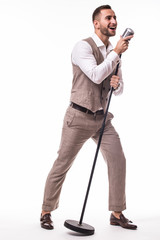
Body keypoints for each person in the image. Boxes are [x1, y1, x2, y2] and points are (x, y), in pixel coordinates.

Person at [40, 4, 137, 230]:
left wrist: (117, 84)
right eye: (108, 18)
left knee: (117, 159)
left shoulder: (114, 52)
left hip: (103, 119)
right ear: (97, 23)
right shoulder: (82, 47)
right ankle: (46, 211)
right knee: (63, 163)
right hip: (78, 116)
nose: (113, 22)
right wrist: (115, 54)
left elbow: (117, 87)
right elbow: (94, 75)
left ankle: (117, 213)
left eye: (115, 18)